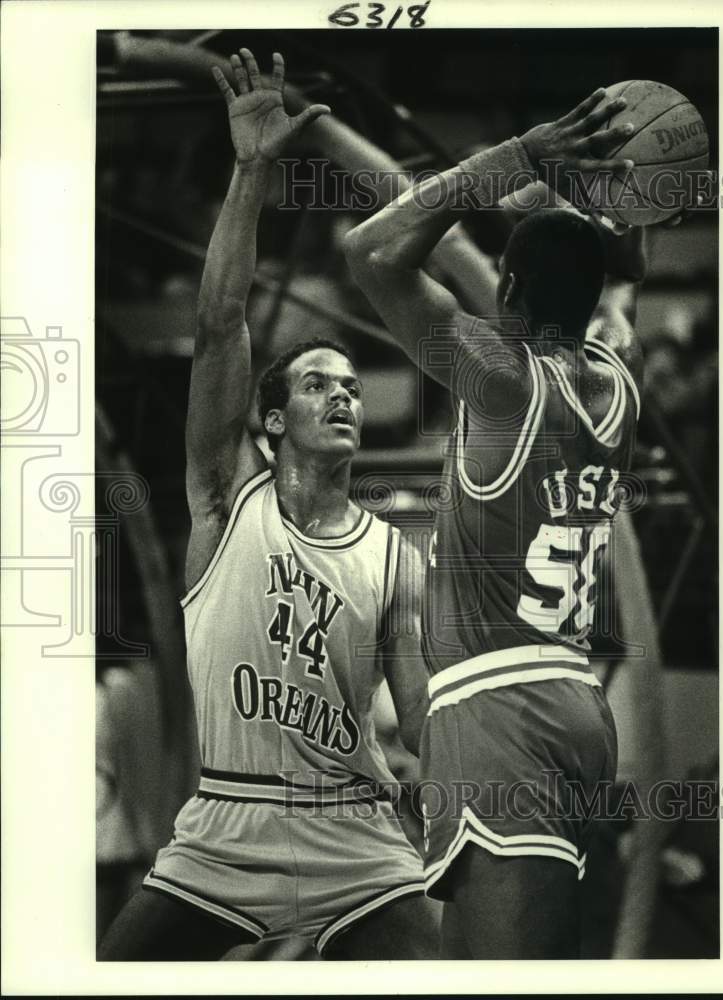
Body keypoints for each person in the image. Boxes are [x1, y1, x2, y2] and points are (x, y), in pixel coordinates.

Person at [99, 47, 438, 961]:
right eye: (320, 386)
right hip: (225, 828)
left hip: (359, 835)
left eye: (354, 390)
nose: (344, 398)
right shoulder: (222, 497)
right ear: (272, 418)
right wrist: (251, 172)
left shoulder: (397, 556)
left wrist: (459, 787)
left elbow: (419, 712)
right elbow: (220, 323)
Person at [345, 88, 653, 958]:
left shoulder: (501, 378)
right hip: (572, 703)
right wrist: (565, 203)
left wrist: (514, 156)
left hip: (500, 712)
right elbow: (607, 284)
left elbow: (372, 250)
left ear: (507, 288)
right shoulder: (616, 381)